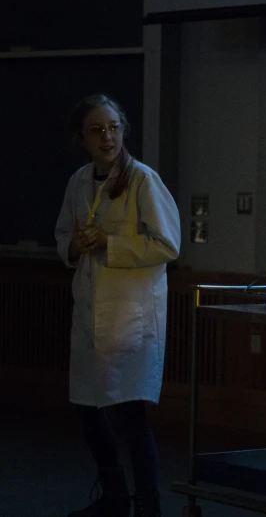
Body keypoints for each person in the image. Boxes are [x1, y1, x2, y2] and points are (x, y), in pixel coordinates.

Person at [55, 94, 181, 517]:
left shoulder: (143, 180)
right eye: (97, 129)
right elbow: (61, 235)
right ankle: (113, 496)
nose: (107, 136)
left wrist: (109, 244)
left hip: (130, 316)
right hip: (90, 315)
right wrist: (75, 244)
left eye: (114, 127)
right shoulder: (78, 181)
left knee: (130, 414)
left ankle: (148, 504)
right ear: (82, 139)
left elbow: (167, 244)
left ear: (123, 130)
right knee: (87, 410)